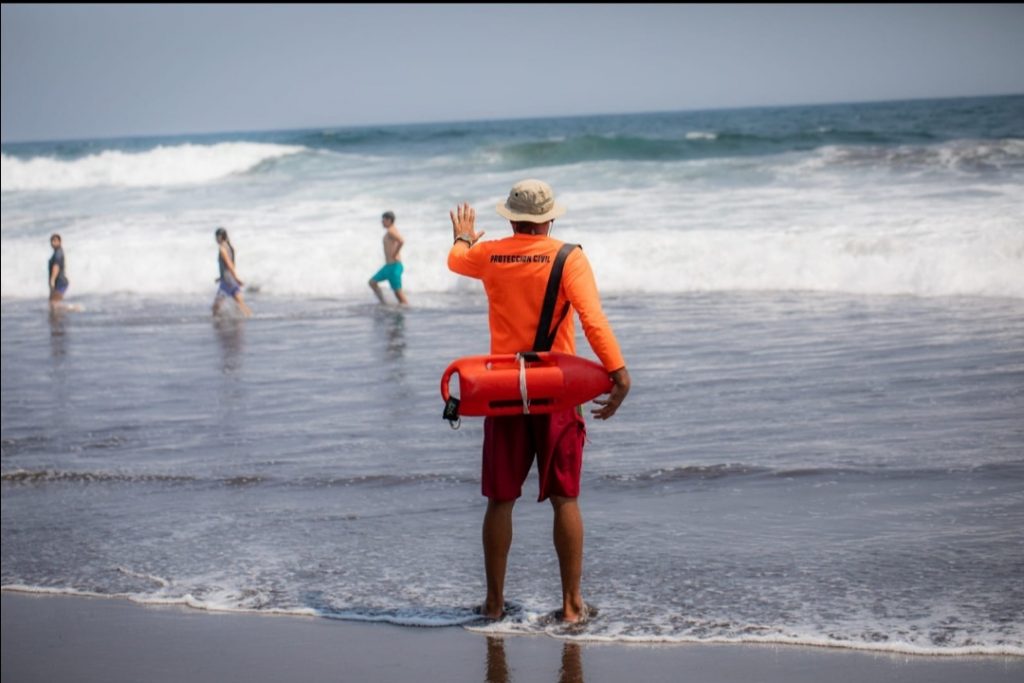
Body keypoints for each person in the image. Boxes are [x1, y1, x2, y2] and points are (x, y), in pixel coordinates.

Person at [447, 179, 631, 624]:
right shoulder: (569, 257)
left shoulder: (489, 255)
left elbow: (455, 260)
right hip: (555, 389)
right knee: (565, 498)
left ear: (511, 219)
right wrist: (618, 371)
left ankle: (494, 604)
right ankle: (572, 606)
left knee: (500, 500)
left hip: (504, 390)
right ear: (549, 219)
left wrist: (464, 237)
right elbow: (591, 319)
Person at [368, 211, 408, 305]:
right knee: (372, 282)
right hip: (388, 266)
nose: (382, 222)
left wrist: (395, 254)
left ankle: (407, 309)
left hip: (394, 266)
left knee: (399, 294)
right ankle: (383, 302)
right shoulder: (391, 230)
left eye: (384, 220)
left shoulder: (391, 231)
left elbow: (401, 241)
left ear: (389, 220)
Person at [212, 227, 252, 317]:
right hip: (229, 279)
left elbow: (229, 264)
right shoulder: (229, 247)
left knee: (215, 307)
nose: (215, 239)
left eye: (216, 237)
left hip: (228, 281)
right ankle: (250, 316)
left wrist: (236, 278)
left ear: (220, 237)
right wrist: (221, 277)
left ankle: (217, 323)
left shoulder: (222, 249)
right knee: (240, 304)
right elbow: (228, 265)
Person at [48, 233, 70, 310]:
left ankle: (73, 309)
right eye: (52, 241)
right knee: (53, 303)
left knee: (54, 304)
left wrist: (52, 280)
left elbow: (56, 266)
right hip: (59, 282)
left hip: (60, 282)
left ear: (60, 242)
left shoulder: (58, 253)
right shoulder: (57, 252)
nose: (53, 243)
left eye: (55, 241)